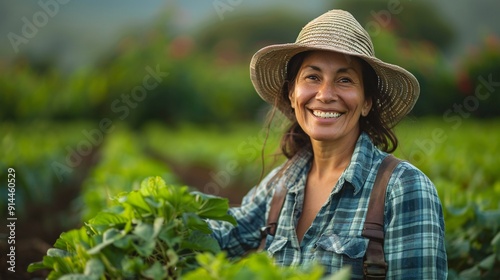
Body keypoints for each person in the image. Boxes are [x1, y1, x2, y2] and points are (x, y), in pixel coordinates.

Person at [209, 9, 447, 279]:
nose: (325, 95)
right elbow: (223, 233)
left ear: (367, 101)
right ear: (292, 93)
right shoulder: (280, 185)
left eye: (344, 80)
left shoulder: (404, 188)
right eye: (312, 77)